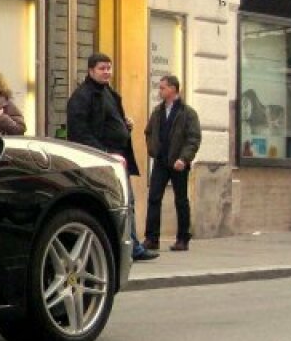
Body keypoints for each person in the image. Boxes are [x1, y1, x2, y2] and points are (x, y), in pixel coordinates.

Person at [66, 51, 158, 262]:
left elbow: (109, 120)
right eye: (102, 68)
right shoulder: (82, 97)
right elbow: (80, 133)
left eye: (109, 68)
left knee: (127, 202)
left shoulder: (108, 93)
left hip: (118, 157)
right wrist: (105, 154)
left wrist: (124, 126)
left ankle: (133, 246)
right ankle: (122, 247)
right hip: (103, 160)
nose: (107, 72)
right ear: (91, 71)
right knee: (116, 204)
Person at [143, 74, 202, 252]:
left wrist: (184, 158)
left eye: (162, 88)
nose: (160, 91)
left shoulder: (187, 113)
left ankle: (183, 239)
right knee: (154, 198)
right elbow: (149, 132)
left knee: (181, 200)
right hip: (161, 161)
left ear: (173, 89)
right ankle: (152, 238)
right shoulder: (158, 111)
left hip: (178, 162)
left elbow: (194, 138)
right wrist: (153, 150)